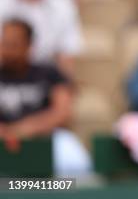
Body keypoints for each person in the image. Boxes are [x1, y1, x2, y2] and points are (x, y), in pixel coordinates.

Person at [0, 18, 91, 176]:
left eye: (14, 45)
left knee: (75, 160)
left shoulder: (48, 73)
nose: (7, 50)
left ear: (29, 45)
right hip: (3, 140)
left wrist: (27, 128)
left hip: (46, 138)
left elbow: (62, 112)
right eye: (5, 44)